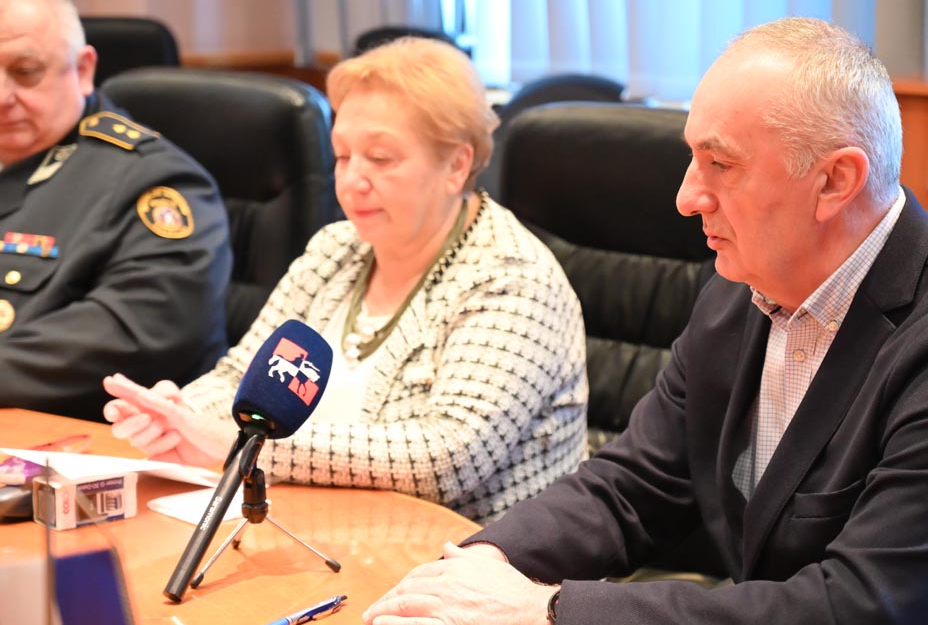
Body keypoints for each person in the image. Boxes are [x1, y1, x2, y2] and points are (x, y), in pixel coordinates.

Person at [339, 18, 928, 625]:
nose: (685, 196)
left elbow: (846, 623)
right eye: (691, 158)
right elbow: (632, 486)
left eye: (719, 164)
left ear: (834, 180)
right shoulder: (741, 292)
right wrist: (466, 572)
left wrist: (545, 613)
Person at [102, 37, 588, 525]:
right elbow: (240, 378)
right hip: (325, 528)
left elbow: (446, 458)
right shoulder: (336, 248)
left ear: (456, 165)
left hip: (469, 554)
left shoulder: (511, 277)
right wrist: (178, 413)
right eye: (341, 156)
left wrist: (244, 443)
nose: (352, 181)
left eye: (380, 159)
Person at [0, 0, 230, 421]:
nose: (1, 95)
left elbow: (136, 332)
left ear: (83, 69)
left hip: (87, 435)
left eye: (25, 72)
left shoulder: (153, 180)